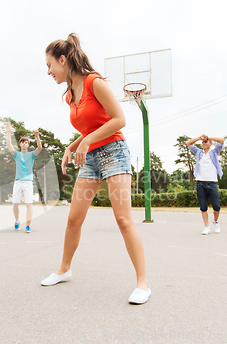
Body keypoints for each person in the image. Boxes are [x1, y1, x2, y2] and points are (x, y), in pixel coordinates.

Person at [41, 33, 151, 304]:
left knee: (123, 220)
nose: (48, 71)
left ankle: (143, 284)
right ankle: (64, 269)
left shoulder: (94, 82)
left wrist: (87, 140)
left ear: (63, 60)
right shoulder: (69, 96)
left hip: (114, 152)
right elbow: (90, 128)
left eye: (49, 65)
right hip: (90, 157)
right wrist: (72, 145)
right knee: (73, 218)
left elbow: (119, 119)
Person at [5, 122, 42, 233]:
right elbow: (9, 145)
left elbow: (39, 148)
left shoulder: (31, 155)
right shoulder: (16, 154)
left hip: (28, 183)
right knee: (15, 204)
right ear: (20, 145)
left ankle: (28, 225)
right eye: (22, 142)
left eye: (26, 142)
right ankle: (17, 220)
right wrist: (8, 132)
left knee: (28, 204)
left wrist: (37, 136)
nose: (24, 143)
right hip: (18, 182)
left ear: (28, 144)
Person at [185, 134, 225, 235]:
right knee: (203, 206)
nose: (203, 143)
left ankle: (215, 222)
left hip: (212, 183)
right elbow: (188, 143)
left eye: (205, 142)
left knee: (216, 206)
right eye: (202, 142)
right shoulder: (198, 152)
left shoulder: (214, 152)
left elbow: (221, 140)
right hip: (200, 183)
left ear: (210, 144)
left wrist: (209, 138)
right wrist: (199, 138)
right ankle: (206, 227)